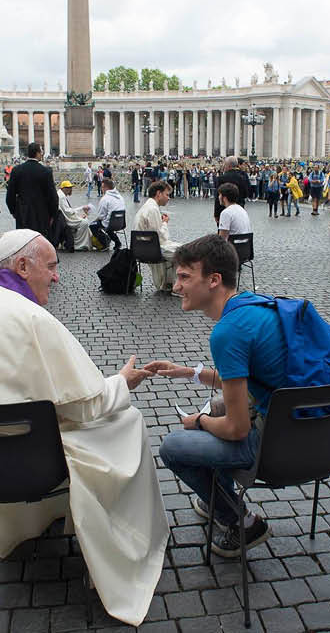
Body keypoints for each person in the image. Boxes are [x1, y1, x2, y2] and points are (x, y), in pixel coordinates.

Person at [0, 229, 167, 626]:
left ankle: (32, 521)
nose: (56, 277)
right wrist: (122, 382)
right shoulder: (31, 317)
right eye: (50, 267)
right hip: (35, 463)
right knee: (128, 422)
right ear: (21, 265)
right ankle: (128, 544)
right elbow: (87, 405)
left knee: (37, 429)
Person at [143, 235, 279, 557]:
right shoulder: (261, 307)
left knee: (174, 447)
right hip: (327, 438)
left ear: (214, 280)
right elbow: (243, 382)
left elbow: (237, 430)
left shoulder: (227, 331)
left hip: (279, 450)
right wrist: (187, 372)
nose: (176, 287)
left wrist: (200, 421)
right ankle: (217, 497)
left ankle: (242, 521)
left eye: (184, 277)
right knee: (219, 409)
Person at [135, 181, 184, 294]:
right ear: (158, 194)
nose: (169, 198)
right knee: (184, 252)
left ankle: (168, 283)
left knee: (182, 248)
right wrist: (165, 223)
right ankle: (178, 288)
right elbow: (159, 237)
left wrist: (161, 223)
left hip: (143, 246)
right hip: (151, 249)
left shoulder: (148, 207)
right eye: (167, 194)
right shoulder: (152, 209)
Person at [6, 142, 59, 244]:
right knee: (39, 242)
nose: (42, 154)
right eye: (41, 151)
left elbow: (10, 195)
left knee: (24, 243)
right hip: (42, 213)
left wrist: (14, 211)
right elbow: (52, 196)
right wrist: (53, 214)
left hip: (22, 212)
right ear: (38, 153)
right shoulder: (46, 171)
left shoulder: (16, 170)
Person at [88, 178, 127, 252]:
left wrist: (94, 220)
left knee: (92, 225)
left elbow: (100, 216)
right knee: (109, 223)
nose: (101, 189)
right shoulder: (120, 197)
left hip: (110, 224)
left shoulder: (105, 199)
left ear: (106, 188)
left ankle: (104, 243)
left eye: (102, 187)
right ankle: (117, 242)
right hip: (121, 223)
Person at [54, 181, 93, 253]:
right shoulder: (61, 197)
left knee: (84, 221)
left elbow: (68, 211)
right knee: (84, 222)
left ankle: (83, 243)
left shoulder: (61, 195)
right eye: (69, 188)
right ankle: (79, 245)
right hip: (66, 219)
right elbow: (68, 212)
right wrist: (80, 211)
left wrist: (78, 214)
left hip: (64, 218)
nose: (71, 190)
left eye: (71, 188)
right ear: (64, 189)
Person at [216, 156, 250, 225]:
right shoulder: (243, 177)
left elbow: (218, 197)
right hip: (239, 208)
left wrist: (216, 213)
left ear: (228, 165)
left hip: (224, 208)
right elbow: (246, 193)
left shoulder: (221, 178)